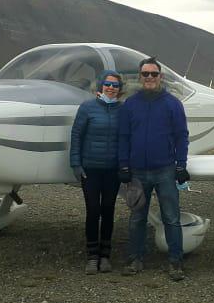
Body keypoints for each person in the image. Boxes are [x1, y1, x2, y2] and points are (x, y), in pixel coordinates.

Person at [117, 57, 190, 281]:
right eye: (145, 74)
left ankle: (175, 261)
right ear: (140, 77)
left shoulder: (172, 104)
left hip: (165, 170)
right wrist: (124, 165)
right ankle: (135, 258)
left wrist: (181, 165)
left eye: (153, 74)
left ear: (161, 77)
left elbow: (181, 136)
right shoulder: (130, 104)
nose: (149, 77)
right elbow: (124, 136)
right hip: (138, 172)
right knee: (137, 217)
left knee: (171, 217)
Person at [69, 70, 124, 274]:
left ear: (119, 89)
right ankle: (92, 256)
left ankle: (105, 256)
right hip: (90, 169)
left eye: (115, 85)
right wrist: (75, 163)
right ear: (100, 86)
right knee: (93, 210)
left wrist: (125, 165)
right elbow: (76, 135)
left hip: (112, 170)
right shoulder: (87, 108)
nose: (111, 88)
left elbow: (126, 138)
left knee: (108, 210)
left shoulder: (122, 110)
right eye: (107, 84)